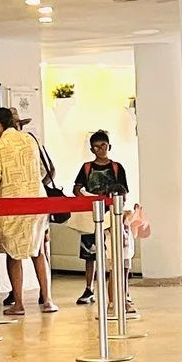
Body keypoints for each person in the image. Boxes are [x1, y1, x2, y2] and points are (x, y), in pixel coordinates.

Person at [0, 108, 54, 315]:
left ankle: (19, 304)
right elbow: (46, 171)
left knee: (13, 253)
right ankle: (48, 300)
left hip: (11, 203)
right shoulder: (31, 140)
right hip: (37, 201)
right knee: (39, 250)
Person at [71, 129, 131, 308]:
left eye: (103, 146)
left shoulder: (117, 167)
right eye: (96, 147)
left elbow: (124, 191)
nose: (100, 150)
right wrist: (84, 199)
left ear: (109, 146)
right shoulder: (86, 168)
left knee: (116, 253)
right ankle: (89, 288)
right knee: (90, 253)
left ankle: (122, 291)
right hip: (91, 215)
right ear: (91, 149)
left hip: (111, 215)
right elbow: (77, 187)